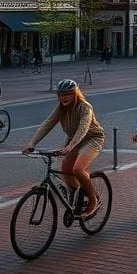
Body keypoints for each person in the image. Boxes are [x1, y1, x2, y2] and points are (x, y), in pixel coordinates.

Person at [23, 79, 105, 218]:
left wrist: (70, 146)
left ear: (75, 94)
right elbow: (48, 124)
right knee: (66, 171)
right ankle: (77, 194)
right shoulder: (60, 108)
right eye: (61, 95)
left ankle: (93, 200)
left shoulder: (85, 106)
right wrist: (32, 142)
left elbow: (83, 128)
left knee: (78, 169)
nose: (64, 97)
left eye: (68, 94)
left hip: (92, 138)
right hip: (73, 140)